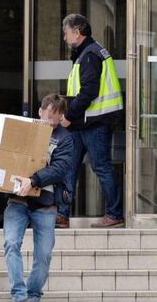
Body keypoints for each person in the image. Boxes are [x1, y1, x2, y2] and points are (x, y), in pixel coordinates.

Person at [3, 94, 73, 302]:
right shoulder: (23, 130)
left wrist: (33, 180)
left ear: (61, 117)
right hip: (18, 200)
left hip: (45, 203)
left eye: (55, 118)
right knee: (11, 243)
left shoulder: (65, 139)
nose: (49, 121)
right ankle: (19, 294)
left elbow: (59, 169)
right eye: (47, 115)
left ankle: (33, 294)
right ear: (40, 111)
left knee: (44, 255)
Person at [58, 13, 124, 228]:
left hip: (93, 123)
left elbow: (88, 92)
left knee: (101, 167)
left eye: (66, 33)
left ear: (77, 33)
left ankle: (114, 215)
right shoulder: (87, 52)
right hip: (84, 122)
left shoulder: (89, 55)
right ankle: (63, 214)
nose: (65, 38)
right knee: (69, 167)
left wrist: (68, 116)